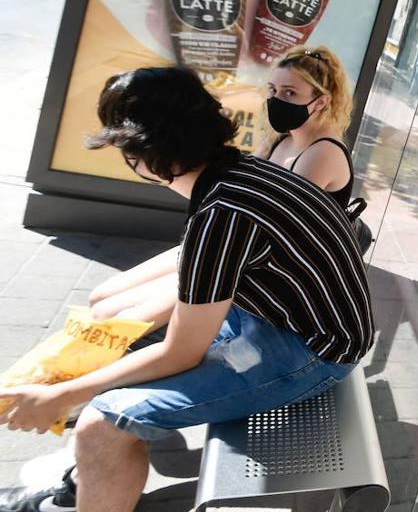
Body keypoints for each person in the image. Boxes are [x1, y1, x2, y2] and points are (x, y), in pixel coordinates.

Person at [0, 67, 373, 512]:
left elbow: (181, 353)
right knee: (123, 339)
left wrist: (62, 394)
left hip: (311, 351)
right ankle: (85, 481)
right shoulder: (241, 174)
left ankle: (91, 475)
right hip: (281, 318)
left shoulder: (222, 213)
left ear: (141, 155)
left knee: (103, 423)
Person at [85, 46, 357, 332]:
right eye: (273, 90)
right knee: (100, 298)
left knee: (112, 319)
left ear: (321, 102)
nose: (276, 100)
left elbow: (269, 226)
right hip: (238, 245)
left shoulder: (323, 153)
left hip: (257, 265)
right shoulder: (279, 140)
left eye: (290, 93)